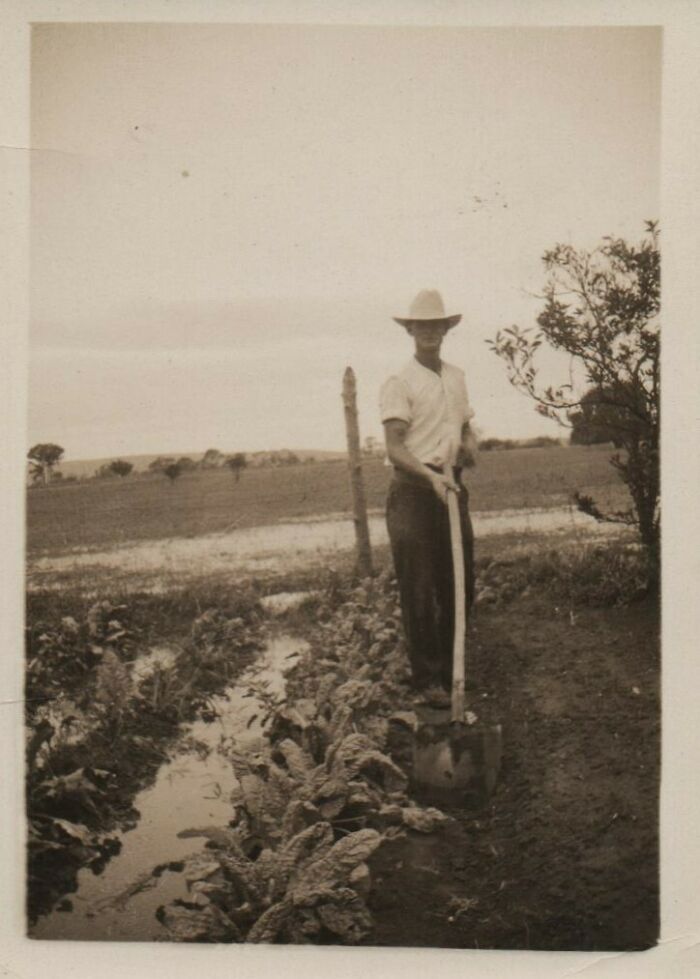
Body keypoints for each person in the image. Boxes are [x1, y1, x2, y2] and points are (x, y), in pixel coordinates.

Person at [380, 289, 477, 708]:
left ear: (445, 330)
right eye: (422, 326)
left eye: (437, 325)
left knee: (460, 582)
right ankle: (428, 682)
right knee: (419, 588)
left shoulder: (455, 377)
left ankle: (452, 667)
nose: (430, 332)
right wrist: (430, 476)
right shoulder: (399, 383)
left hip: (451, 488)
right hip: (414, 493)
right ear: (410, 330)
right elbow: (395, 448)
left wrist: (470, 446)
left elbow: (465, 427)